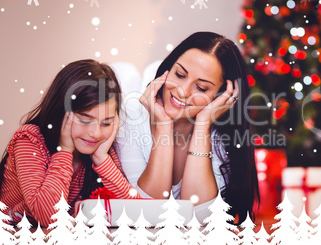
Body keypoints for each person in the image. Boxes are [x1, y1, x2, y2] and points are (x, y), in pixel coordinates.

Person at [115, 32, 260, 224]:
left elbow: (201, 220)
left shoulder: (222, 135)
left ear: (220, 96)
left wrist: (202, 127)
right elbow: (147, 213)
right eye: (179, 74)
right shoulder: (131, 115)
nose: (182, 91)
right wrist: (164, 127)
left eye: (201, 88)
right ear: (167, 69)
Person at [0, 59, 140, 227]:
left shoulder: (99, 150)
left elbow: (137, 212)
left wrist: (102, 158)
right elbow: (49, 217)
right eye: (84, 120)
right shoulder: (30, 140)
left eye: (106, 123)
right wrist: (65, 150)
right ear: (60, 112)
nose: (96, 134)